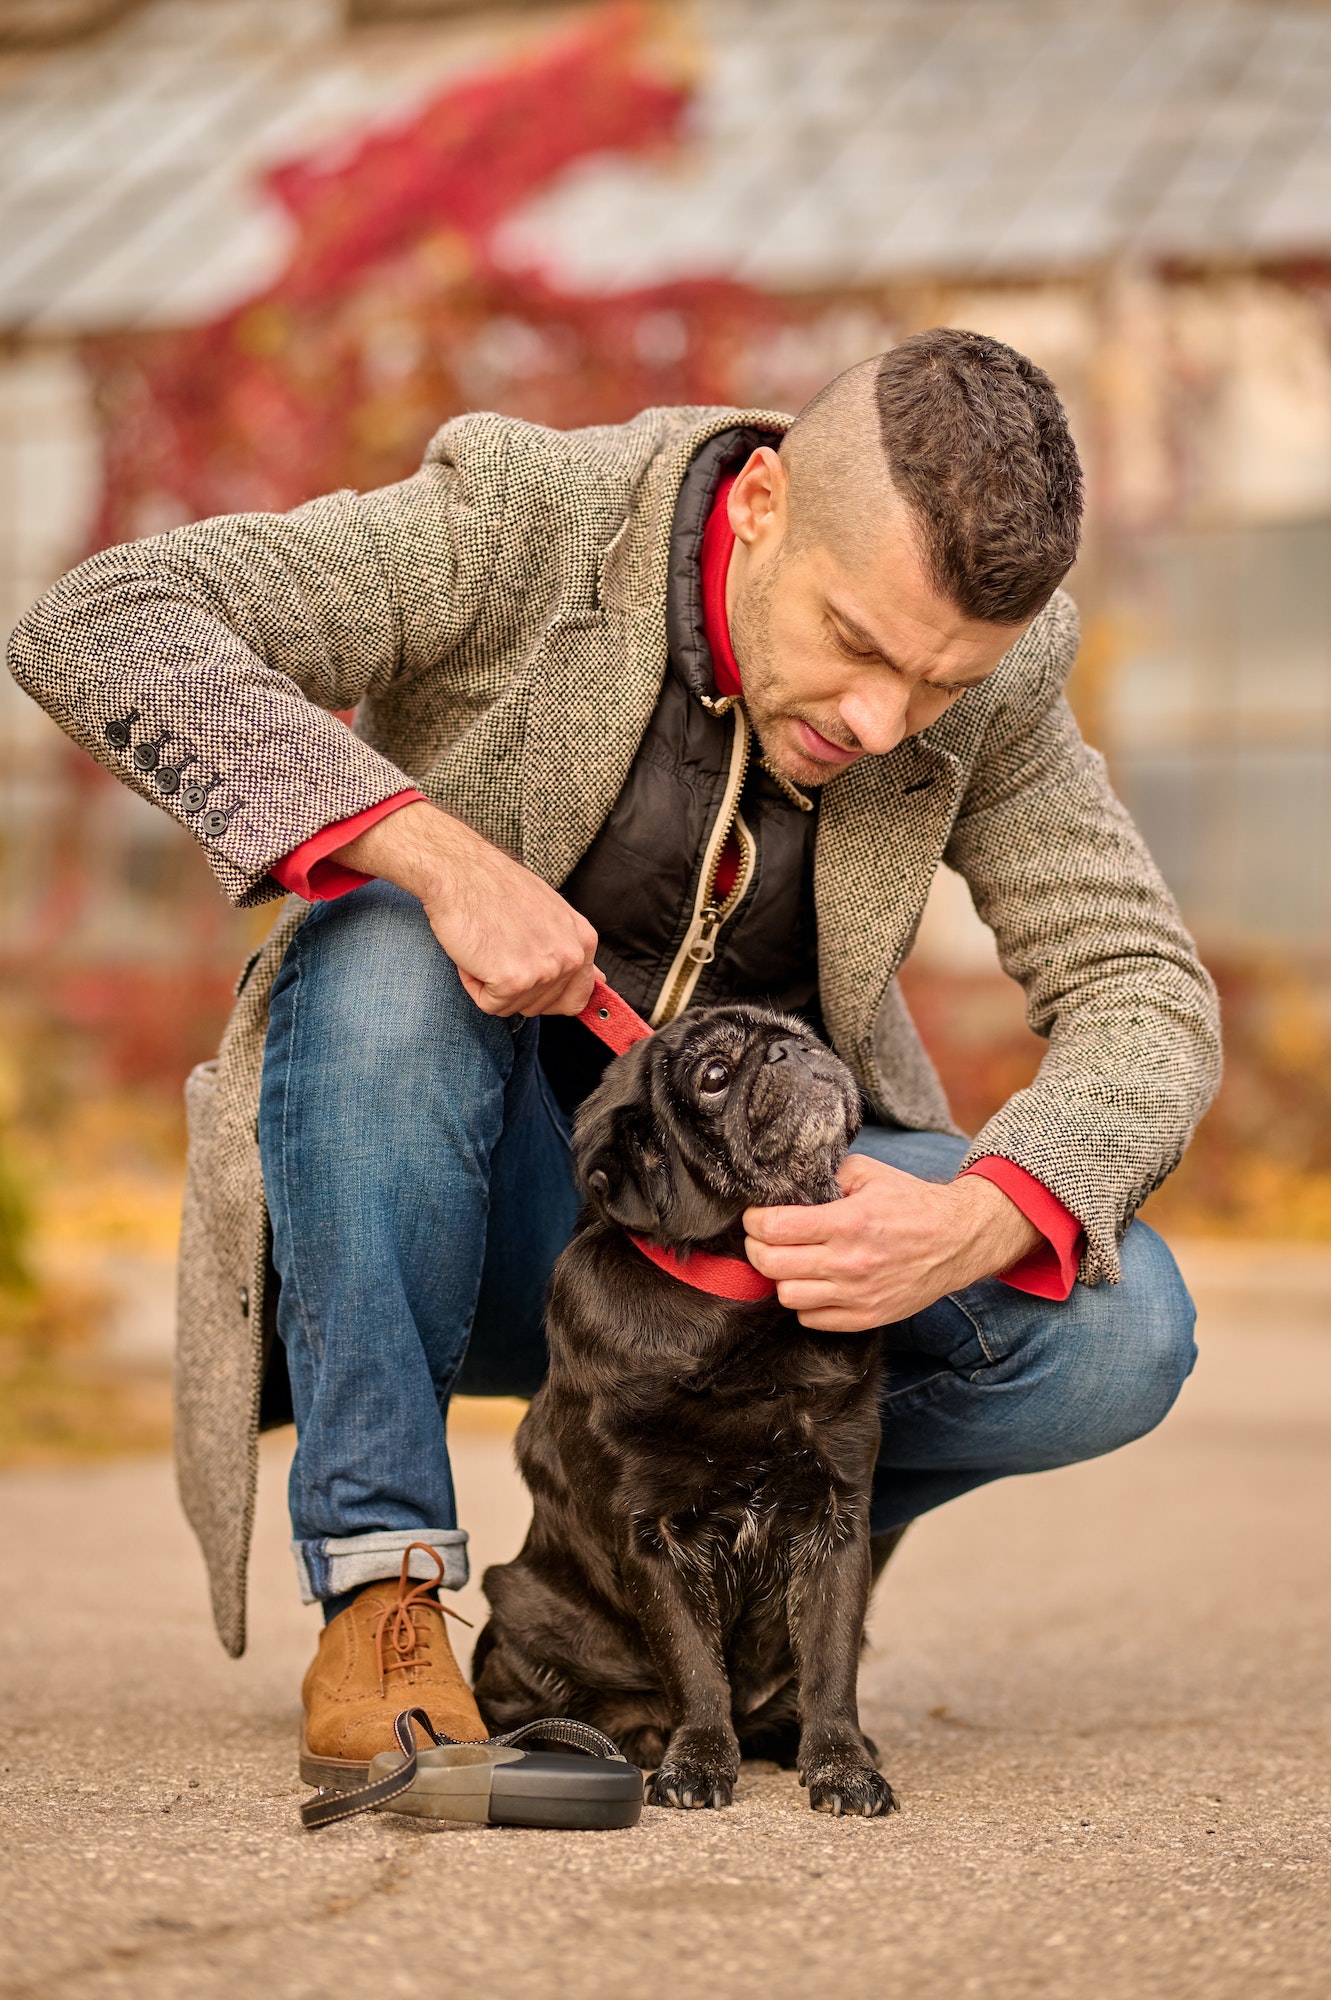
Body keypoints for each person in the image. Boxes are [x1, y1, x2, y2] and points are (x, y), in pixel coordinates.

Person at [9, 330, 1220, 1784]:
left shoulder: (995, 688)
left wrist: (976, 1219)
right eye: (855, 643)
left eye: (937, 687)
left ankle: (742, 1564)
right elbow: (106, 618)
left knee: (1126, 1329)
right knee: (384, 940)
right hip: (472, 1211)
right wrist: (435, 851)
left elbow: (1144, 987)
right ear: (761, 504)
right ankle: (384, 1594)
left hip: (759, 1275)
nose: (881, 722)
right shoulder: (527, 523)